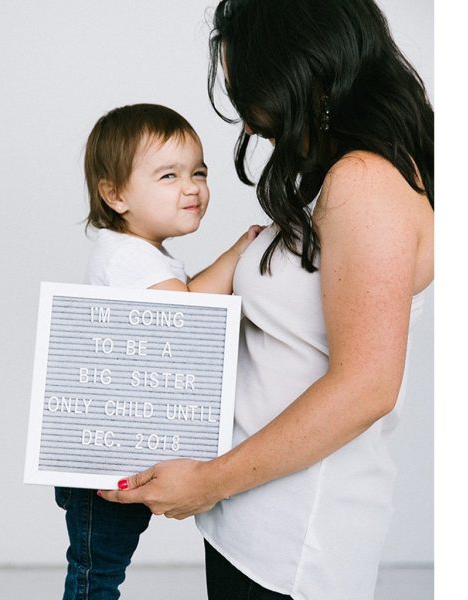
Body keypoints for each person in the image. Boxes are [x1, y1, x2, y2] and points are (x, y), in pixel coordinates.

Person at [99, 1, 434, 599]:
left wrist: (208, 481)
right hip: (248, 522)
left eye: (250, 96)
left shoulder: (366, 181)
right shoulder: (341, 178)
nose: (249, 125)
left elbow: (367, 385)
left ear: (298, 74)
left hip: (292, 541)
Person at [54, 102, 262, 600]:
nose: (191, 187)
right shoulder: (127, 257)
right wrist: (237, 255)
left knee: (100, 567)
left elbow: (185, 300)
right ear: (115, 194)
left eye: (199, 172)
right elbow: (188, 316)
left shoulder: (145, 255)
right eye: (168, 175)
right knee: (95, 574)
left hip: (119, 448)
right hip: (104, 458)